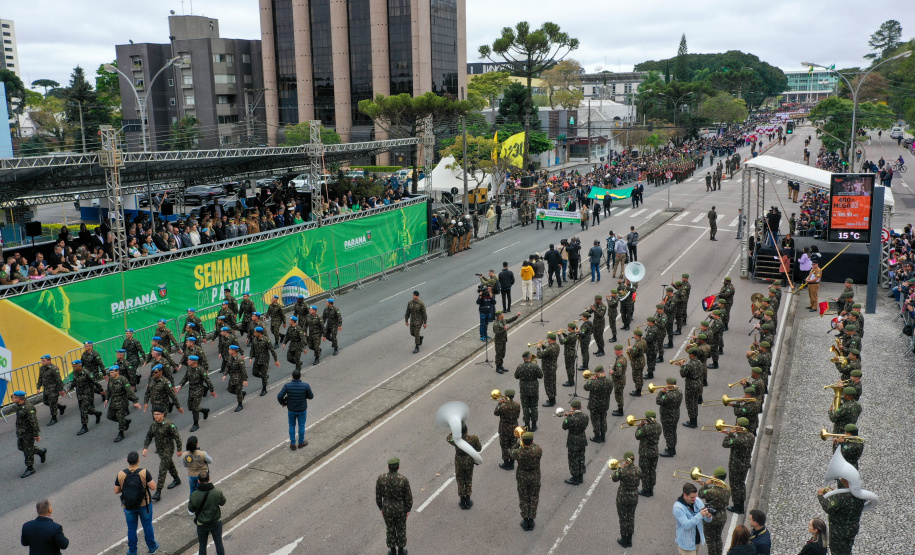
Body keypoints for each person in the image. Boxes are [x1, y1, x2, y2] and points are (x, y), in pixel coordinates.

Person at [115, 451, 159, 555]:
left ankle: (132, 551)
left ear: (127, 461)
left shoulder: (121, 474)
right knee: (147, 525)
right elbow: (153, 487)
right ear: (138, 460)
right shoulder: (144, 472)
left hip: (128, 506)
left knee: (131, 528)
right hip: (144, 504)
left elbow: (116, 490)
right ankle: (152, 547)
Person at [142, 408, 183, 501]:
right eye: (154, 414)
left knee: (162, 469)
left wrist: (179, 449)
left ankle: (158, 491)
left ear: (163, 415)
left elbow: (177, 437)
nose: (155, 416)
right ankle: (176, 479)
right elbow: (149, 436)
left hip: (168, 449)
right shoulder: (153, 425)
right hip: (160, 450)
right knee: (169, 465)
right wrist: (145, 447)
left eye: (158, 414)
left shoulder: (169, 424)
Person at [376, 457, 413, 555]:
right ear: (398, 467)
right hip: (400, 509)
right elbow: (408, 497)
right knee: (401, 529)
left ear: (388, 467)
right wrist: (408, 509)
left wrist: (381, 508)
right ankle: (401, 551)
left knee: (390, 529)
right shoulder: (403, 480)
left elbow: (378, 496)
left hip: (387, 509)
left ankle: (392, 551)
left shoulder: (381, 479)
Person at [189, 471, 227, 555]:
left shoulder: (195, 495)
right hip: (215, 521)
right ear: (209, 479)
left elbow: (191, 509)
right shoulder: (217, 492)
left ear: (198, 481)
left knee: (202, 546)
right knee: (219, 544)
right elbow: (223, 502)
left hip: (202, 524)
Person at [12, 390, 47, 478]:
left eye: (14, 397)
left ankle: (30, 468)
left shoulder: (28, 408)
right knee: (21, 447)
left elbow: (34, 422)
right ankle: (40, 452)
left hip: (28, 432)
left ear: (19, 399)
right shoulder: (19, 405)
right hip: (21, 432)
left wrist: (36, 434)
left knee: (27, 450)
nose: (12, 398)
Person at [512, 431, 543, 531]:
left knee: (524, 498)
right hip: (535, 477)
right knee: (533, 497)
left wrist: (518, 443)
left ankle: (525, 520)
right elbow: (535, 445)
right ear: (532, 441)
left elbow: (511, 451)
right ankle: (531, 520)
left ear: (523, 441)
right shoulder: (538, 450)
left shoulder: (519, 452)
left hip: (522, 477)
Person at [447, 421, 482, 509]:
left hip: (459, 461)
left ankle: (462, 502)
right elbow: (479, 449)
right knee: (468, 479)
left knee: (460, 480)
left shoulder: (455, 439)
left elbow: (448, 437)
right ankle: (468, 500)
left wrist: (455, 432)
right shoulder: (473, 438)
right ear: (467, 430)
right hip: (469, 461)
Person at [277, 369, 314, 450]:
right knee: (301, 426)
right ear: (300, 376)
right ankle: (301, 442)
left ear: (292, 377)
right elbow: (311, 396)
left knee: (291, 426)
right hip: (302, 409)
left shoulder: (287, 386)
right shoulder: (305, 386)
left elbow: (279, 396)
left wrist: (283, 402)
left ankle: (293, 443)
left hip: (291, 409)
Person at [674, 482, 712, 555]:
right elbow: (686, 525)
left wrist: (708, 516)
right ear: (685, 494)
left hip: (697, 541)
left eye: (695, 496)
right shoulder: (678, 508)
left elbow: (706, 519)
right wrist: (700, 514)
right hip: (687, 545)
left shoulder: (697, 500)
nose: (695, 499)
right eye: (692, 497)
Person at [612, 452, 641, 548]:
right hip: (634, 496)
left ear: (626, 460)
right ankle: (630, 540)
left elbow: (614, 478)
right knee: (631, 517)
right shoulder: (638, 469)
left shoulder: (622, 470)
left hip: (623, 496)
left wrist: (618, 468)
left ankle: (624, 540)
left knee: (623, 518)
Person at [182, 435, 213, 510]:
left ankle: (191, 508)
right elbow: (210, 461)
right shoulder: (202, 453)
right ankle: (203, 506)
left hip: (191, 475)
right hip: (202, 475)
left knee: (192, 491)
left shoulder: (185, 455)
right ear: (196, 444)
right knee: (202, 491)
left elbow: (185, 465)